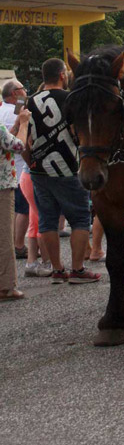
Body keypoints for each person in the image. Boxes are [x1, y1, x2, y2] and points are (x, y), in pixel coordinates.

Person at [26, 58, 101, 285]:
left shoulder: (31, 101)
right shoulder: (71, 99)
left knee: (47, 221)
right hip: (68, 168)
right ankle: (77, 270)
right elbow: (78, 132)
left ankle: (57, 269)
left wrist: (31, 162)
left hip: (39, 171)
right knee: (79, 218)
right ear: (61, 75)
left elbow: (25, 138)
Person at [0, 107, 31, 300]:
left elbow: (5, 142)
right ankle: (6, 286)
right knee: (4, 237)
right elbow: (18, 146)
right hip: (2, 186)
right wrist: (25, 123)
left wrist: (16, 125)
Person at [0, 79, 30, 259]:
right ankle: (17, 245)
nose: (25, 92)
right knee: (23, 210)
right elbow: (19, 144)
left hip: (8, 171)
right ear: (14, 94)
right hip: (15, 170)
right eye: (22, 89)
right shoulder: (17, 113)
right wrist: (23, 123)